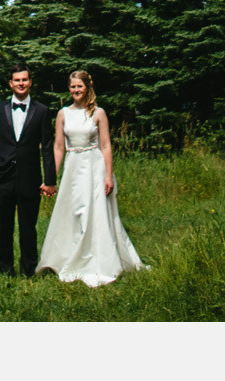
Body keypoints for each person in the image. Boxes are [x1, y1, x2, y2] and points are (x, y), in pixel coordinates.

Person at [36, 69, 146, 287]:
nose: (76, 90)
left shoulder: (98, 113)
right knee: (73, 213)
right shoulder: (63, 114)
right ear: (69, 89)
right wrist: (50, 179)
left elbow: (105, 145)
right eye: (73, 87)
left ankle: (98, 260)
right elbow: (59, 148)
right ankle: (68, 257)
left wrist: (108, 176)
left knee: (94, 214)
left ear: (88, 88)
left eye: (80, 86)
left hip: (94, 168)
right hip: (73, 169)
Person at [0, 62, 57, 276]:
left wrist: (50, 179)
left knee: (28, 228)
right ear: (10, 83)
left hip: (29, 177)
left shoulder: (42, 110)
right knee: (2, 227)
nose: (21, 83)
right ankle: (5, 271)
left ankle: (28, 270)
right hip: (2, 177)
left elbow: (47, 146)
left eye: (25, 79)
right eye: (17, 80)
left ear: (30, 82)